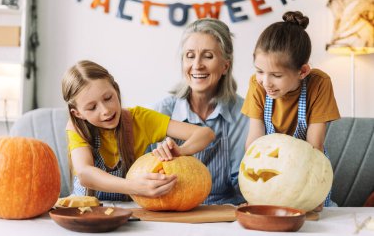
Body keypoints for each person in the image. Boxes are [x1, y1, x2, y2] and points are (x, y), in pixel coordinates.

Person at [61, 60, 215, 201]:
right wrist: (134, 186)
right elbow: (85, 174)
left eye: (108, 98)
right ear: (78, 113)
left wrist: (181, 150)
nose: (105, 110)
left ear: (116, 90)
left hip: (130, 212)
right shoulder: (77, 127)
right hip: (86, 212)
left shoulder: (140, 118)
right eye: (92, 107)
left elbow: (205, 133)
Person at [241, 11, 340, 208]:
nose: (266, 82)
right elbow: (254, 142)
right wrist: (252, 188)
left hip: (305, 170)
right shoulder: (257, 84)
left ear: (302, 71)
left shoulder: (319, 84)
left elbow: (315, 146)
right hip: (269, 166)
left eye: (276, 75)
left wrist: (312, 193)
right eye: (260, 71)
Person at [149, 18, 250, 205]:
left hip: (225, 214)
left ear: (225, 66)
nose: (197, 65)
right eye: (189, 55)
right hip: (172, 210)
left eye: (208, 56)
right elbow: (144, 174)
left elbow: (244, 182)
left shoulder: (243, 114)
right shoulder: (162, 111)